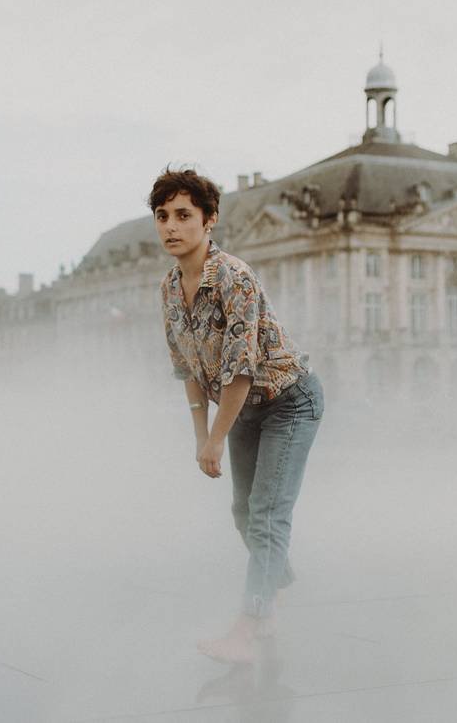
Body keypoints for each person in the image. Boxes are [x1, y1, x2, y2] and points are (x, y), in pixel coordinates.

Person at [150, 168, 324, 664]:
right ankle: (274, 584)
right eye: (162, 216)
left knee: (267, 515)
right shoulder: (168, 288)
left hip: (289, 400)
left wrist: (214, 441)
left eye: (184, 215)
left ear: (209, 221)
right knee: (242, 513)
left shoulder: (234, 277)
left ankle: (248, 628)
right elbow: (186, 366)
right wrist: (200, 436)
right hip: (242, 408)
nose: (171, 227)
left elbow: (240, 370)